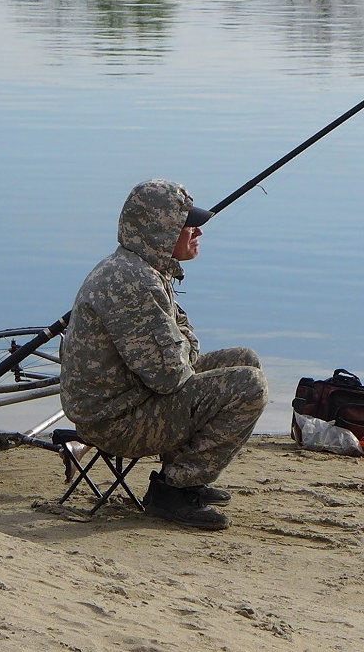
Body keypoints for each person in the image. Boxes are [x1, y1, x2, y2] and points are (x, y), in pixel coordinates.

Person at [60, 179, 269, 530]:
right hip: (115, 422)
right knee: (249, 386)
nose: (198, 231)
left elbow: (178, 346)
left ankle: (187, 477)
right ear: (161, 230)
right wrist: (185, 343)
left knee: (244, 359)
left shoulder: (143, 269)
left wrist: (183, 343)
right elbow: (171, 375)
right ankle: (173, 490)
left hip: (131, 399)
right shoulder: (134, 283)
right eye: (188, 225)